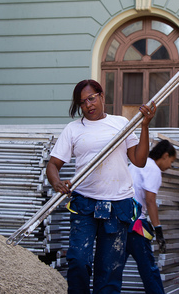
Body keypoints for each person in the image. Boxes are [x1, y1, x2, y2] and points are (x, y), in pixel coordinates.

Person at [46, 79, 156, 294]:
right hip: (84, 205)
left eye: (91, 98)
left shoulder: (121, 123)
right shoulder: (73, 129)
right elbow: (53, 164)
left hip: (118, 206)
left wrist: (144, 126)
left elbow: (139, 160)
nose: (88, 105)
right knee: (78, 260)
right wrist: (56, 181)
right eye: (83, 102)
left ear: (102, 96)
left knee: (109, 272)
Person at [125, 139, 176, 294]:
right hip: (136, 224)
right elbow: (150, 200)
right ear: (165, 155)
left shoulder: (137, 163)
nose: (170, 166)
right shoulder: (153, 169)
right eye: (171, 161)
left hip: (121, 220)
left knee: (114, 267)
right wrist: (158, 229)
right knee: (148, 268)